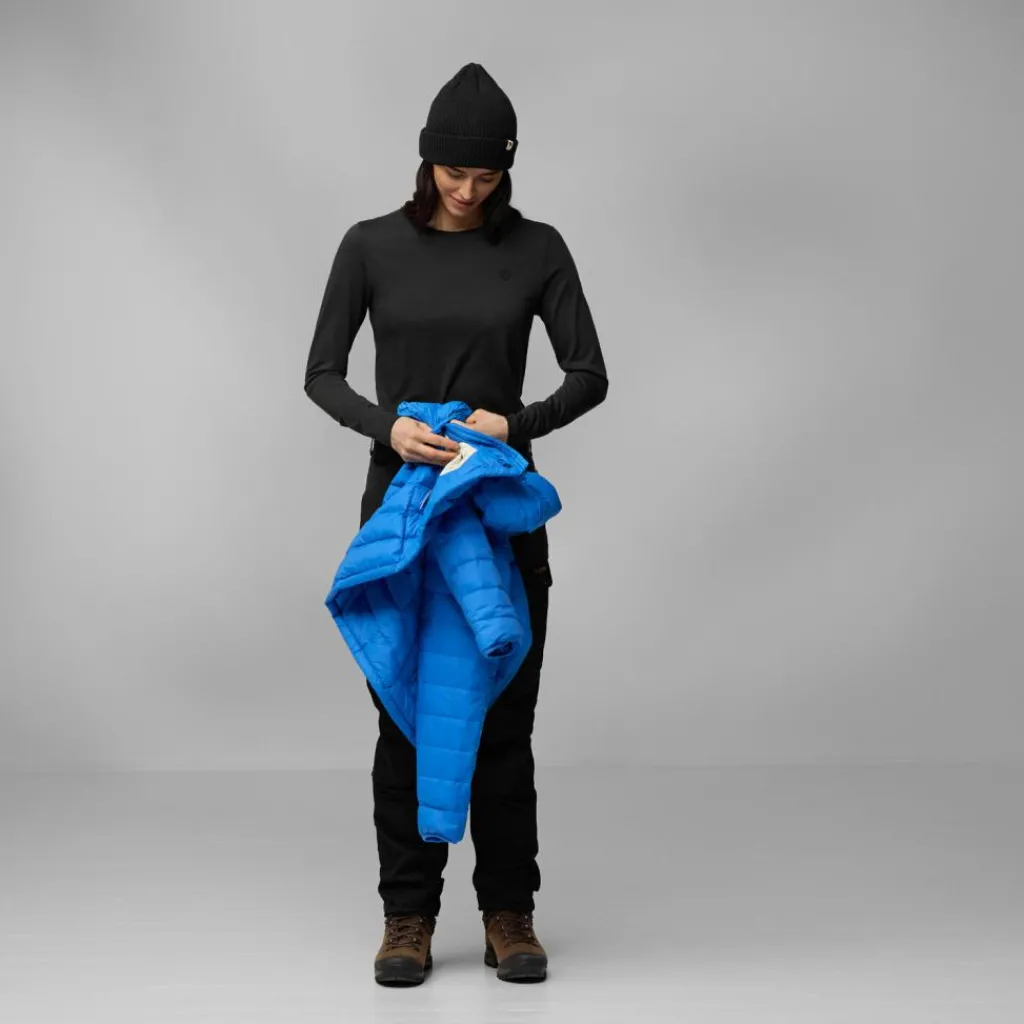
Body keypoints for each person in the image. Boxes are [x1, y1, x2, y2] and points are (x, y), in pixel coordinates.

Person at [303, 62, 609, 986]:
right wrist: (386, 428)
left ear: (507, 170)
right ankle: (408, 918)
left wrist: (514, 424)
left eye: (486, 175)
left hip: (497, 513)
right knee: (404, 716)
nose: (469, 191)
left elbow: (589, 374)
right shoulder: (370, 246)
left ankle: (510, 913)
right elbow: (321, 374)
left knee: (506, 719)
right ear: (425, 161)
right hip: (400, 517)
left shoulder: (539, 248)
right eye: (453, 173)